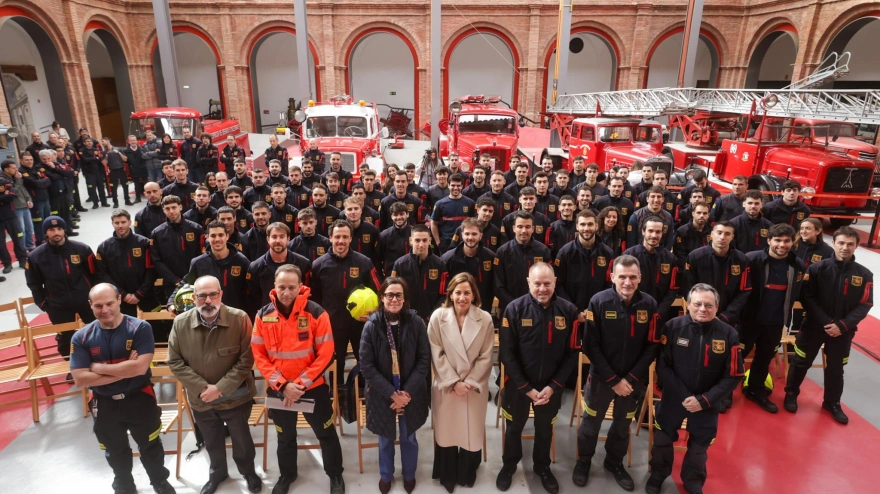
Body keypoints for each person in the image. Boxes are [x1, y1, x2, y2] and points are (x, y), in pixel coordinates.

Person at [69, 284, 176, 494]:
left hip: (139, 398)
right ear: (90, 306)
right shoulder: (81, 337)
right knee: (114, 450)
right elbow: (80, 379)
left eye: (109, 303)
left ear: (119, 299)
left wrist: (98, 367)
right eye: (98, 305)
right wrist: (125, 368)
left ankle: (159, 483)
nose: (105, 309)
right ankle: (124, 485)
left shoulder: (140, 328)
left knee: (151, 445)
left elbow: (140, 367)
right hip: (104, 403)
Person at [251, 265, 345, 494]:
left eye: (292, 287)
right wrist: (283, 385)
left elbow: (326, 353)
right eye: (282, 287)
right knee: (285, 436)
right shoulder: (263, 315)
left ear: (301, 287)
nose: (286, 292)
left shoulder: (316, 313)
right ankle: (287, 475)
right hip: (279, 389)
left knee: (326, 432)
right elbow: (259, 355)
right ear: (274, 286)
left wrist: (299, 384)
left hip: (312, 388)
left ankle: (335, 475)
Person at [646, 284, 744, 494]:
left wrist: (704, 400)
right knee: (663, 439)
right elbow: (663, 367)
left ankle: (693, 479)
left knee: (700, 446)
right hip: (675, 398)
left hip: (707, 403)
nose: (703, 309)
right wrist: (685, 396)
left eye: (708, 305)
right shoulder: (672, 327)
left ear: (717, 307)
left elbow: (734, 375)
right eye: (697, 304)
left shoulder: (729, 335)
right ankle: (658, 474)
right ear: (688, 304)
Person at [167, 276, 261, 494]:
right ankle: (217, 472)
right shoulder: (181, 323)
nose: (207, 300)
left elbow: (247, 359)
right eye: (202, 295)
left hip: (235, 396)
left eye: (213, 295)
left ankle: (249, 472)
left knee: (242, 440)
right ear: (194, 297)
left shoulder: (240, 319)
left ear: (221, 295)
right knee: (211, 440)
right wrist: (202, 388)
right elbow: (175, 361)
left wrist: (219, 388)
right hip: (201, 400)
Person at [574, 255, 660, 490]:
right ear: (612, 277)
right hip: (602, 380)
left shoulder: (650, 305)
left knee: (623, 426)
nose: (627, 282)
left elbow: (652, 345)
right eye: (622, 276)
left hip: (633, 382)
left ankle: (614, 462)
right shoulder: (598, 302)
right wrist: (613, 380)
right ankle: (583, 461)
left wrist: (630, 379)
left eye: (633, 277)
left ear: (640, 278)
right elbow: (590, 345)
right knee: (590, 423)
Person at [497, 263, 580, 494]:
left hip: (551, 388)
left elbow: (572, 352)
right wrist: (525, 388)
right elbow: (506, 353)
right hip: (518, 387)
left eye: (547, 283)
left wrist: (553, 386)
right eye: (537, 283)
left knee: (545, 430)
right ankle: (509, 465)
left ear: (555, 282)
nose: (542, 288)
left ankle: (543, 467)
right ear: (528, 283)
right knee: (514, 428)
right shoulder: (513, 310)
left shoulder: (569, 311)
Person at [783, 226, 873, 424]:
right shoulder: (817, 269)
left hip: (843, 332)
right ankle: (791, 394)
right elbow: (807, 297)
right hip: (814, 327)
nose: (845, 247)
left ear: (857, 246)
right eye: (841, 243)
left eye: (850, 244)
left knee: (835, 369)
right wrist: (826, 321)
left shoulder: (864, 274)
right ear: (833, 243)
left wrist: (843, 325)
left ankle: (832, 402)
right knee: (800, 362)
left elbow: (866, 303)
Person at [359, 277, 432, 494]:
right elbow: (366, 365)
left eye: (398, 295)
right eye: (389, 295)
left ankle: (409, 475)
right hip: (383, 393)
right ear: (382, 298)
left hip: (411, 392)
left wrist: (406, 392)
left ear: (405, 298)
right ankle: (386, 475)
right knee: (385, 437)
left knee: (409, 436)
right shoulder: (372, 325)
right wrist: (392, 393)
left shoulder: (416, 323)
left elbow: (423, 359)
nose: (394, 299)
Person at [428, 273, 495, 492]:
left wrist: (470, 382)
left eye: (467, 292)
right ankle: (447, 473)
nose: (462, 297)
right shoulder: (438, 317)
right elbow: (436, 353)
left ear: (474, 294)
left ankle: (468, 470)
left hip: (473, 388)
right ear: (450, 294)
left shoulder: (485, 318)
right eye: (458, 292)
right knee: (447, 432)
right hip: (447, 385)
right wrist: (454, 382)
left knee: (471, 431)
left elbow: (487, 356)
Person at [740, 224, 804, 414]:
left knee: (764, 358)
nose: (782, 245)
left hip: (776, 322)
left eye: (787, 241)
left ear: (793, 242)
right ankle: (724, 392)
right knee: (736, 357)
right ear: (769, 241)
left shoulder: (797, 265)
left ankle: (754, 390)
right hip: (749, 320)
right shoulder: (751, 260)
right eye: (777, 240)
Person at [311, 220, 381, 382]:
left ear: (351, 239)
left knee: (365, 361)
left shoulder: (364, 262)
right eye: (337, 237)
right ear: (330, 237)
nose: (341, 241)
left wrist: (376, 310)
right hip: (332, 326)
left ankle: (365, 391)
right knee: (335, 363)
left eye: (345, 237)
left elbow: (380, 291)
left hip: (360, 324)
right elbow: (313, 298)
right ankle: (339, 392)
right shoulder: (318, 265)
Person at [26, 215, 100, 354]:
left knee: (97, 332)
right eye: (52, 229)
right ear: (45, 232)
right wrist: (44, 304)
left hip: (87, 302)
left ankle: (102, 359)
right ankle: (71, 367)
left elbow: (95, 274)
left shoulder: (82, 249)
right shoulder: (35, 257)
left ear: (64, 230)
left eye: (59, 228)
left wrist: (96, 298)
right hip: (58, 306)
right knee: (66, 339)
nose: (56, 233)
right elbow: (33, 284)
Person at [168, 220, 250, 313]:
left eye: (221, 235)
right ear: (207, 237)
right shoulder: (198, 262)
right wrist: (171, 302)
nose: (217, 239)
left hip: (235, 316)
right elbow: (185, 283)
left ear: (227, 236)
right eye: (213, 236)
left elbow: (252, 290)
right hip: (207, 315)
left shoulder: (242, 261)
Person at [96, 209, 158, 316]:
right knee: (125, 329)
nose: (120, 226)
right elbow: (103, 275)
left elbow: (152, 269)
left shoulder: (144, 243)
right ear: (112, 224)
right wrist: (123, 294)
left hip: (147, 295)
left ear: (130, 222)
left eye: (123, 222)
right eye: (117, 223)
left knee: (157, 327)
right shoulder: (104, 247)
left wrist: (140, 293)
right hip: (121, 299)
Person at [554, 209, 613, 313]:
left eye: (590, 224)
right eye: (583, 224)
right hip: (571, 312)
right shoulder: (565, 252)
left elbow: (611, 284)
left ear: (596, 226)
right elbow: (558, 285)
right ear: (577, 226)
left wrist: (596, 307)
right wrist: (574, 310)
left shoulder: (608, 253)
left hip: (599, 310)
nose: (586, 228)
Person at [623, 215, 680, 323]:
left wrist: (660, 311)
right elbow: (622, 285)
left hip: (660, 315)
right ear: (643, 232)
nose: (654, 235)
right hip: (632, 312)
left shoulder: (670, 259)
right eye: (650, 231)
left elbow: (673, 289)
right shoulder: (629, 255)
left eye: (658, 232)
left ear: (662, 234)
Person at [246, 222, 311, 315]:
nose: (278, 240)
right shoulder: (255, 267)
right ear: (268, 239)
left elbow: (307, 293)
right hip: (268, 318)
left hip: (298, 317)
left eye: (282, 237)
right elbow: (253, 299)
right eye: (274, 237)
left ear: (288, 239)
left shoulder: (303, 264)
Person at [494, 211, 553, 314]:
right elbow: (499, 285)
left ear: (533, 229)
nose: (524, 230)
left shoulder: (543, 251)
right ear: (513, 228)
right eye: (520, 227)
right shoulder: (502, 252)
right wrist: (515, 304)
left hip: (537, 307)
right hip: (509, 308)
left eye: (528, 227)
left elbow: (548, 281)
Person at [149, 195, 205, 300]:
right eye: (167, 208)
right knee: (175, 313)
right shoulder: (157, 233)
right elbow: (156, 260)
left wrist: (192, 277)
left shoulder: (196, 229)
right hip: (171, 283)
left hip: (195, 281)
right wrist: (174, 280)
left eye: (174, 207)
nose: (171, 211)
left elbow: (202, 255)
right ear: (163, 210)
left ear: (180, 207)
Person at [391, 224, 448, 321]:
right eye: (417, 240)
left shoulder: (440, 264)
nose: (421, 244)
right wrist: (406, 315)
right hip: (406, 319)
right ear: (411, 241)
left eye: (425, 240)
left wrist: (431, 317)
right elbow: (393, 293)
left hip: (432, 320)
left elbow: (445, 295)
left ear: (430, 241)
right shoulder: (400, 264)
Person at [441, 218, 496, 311]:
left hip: (482, 308)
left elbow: (494, 285)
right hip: (456, 308)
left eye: (474, 234)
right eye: (467, 234)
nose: (470, 237)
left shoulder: (491, 257)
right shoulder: (447, 258)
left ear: (481, 235)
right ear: (462, 235)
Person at [431, 173, 475, 252]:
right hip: (446, 242)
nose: (456, 188)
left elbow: (474, 223)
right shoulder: (440, 204)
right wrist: (438, 242)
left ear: (462, 186)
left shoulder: (470, 203)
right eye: (453, 185)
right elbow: (433, 223)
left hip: (464, 242)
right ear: (448, 185)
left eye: (458, 186)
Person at [2, 159, 35, 253]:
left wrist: (29, 199)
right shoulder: (4, 180)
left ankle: (30, 246)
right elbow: (14, 192)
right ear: (6, 169)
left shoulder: (15, 177)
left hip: (24, 205)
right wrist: (18, 180)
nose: (16, 169)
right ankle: (23, 249)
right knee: (21, 230)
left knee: (29, 228)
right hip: (16, 208)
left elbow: (23, 190)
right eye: (13, 168)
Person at [376, 202, 413, 278]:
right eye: (395, 215)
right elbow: (377, 259)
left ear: (407, 214)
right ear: (391, 216)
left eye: (401, 214)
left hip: (412, 275)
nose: (399, 217)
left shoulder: (415, 233)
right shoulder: (384, 235)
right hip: (391, 276)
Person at [0, 173, 28, 271]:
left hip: (10, 216)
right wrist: (4, 198)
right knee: (1, 244)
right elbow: (6, 198)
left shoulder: (4, 182)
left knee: (18, 238)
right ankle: (7, 264)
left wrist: (4, 199)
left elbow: (11, 197)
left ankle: (23, 260)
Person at [673, 201, 712, 268]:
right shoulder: (682, 232)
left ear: (708, 215)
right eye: (699, 213)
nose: (702, 215)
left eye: (705, 213)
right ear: (693, 213)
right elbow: (680, 255)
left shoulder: (712, 231)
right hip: (688, 269)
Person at [79, 137, 110, 209]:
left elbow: (100, 160)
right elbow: (85, 160)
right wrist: (94, 158)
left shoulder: (96, 150)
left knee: (101, 187)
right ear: (84, 143)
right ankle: (95, 203)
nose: (89, 142)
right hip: (89, 172)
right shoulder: (81, 151)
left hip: (98, 171)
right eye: (87, 141)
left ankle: (104, 202)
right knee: (92, 189)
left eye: (90, 141)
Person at [102, 138, 132, 207]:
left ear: (108, 141)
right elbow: (104, 163)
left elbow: (125, 159)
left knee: (125, 185)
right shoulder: (104, 152)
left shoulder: (119, 149)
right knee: (113, 187)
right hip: (112, 171)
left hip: (121, 170)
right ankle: (115, 202)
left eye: (103, 141)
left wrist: (119, 153)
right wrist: (106, 157)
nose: (102, 143)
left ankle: (127, 200)